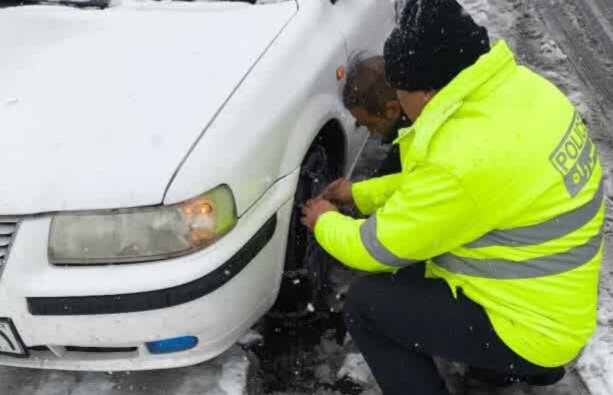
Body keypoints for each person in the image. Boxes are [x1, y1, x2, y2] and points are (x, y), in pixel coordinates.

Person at [300, 0, 605, 394]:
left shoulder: (464, 155)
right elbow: (436, 189)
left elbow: (374, 249)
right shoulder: (522, 93)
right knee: (420, 260)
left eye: (401, 88)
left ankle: (516, 363)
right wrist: (358, 193)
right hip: (558, 303)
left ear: (425, 93)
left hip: (529, 325)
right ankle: (510, 369)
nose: (399, 98)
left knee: (366, 307)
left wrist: (324, 219)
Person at [342, 53, 411, 176]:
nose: (371, 132)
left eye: (371, 124)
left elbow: (403, 184)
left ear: (393, 109)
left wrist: (354, 192)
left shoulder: (415, 143)